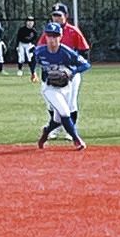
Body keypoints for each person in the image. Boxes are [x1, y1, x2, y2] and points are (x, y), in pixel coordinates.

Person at [30, 22, 91, 150]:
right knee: (64, 112)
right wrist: (33, 72)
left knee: (57, 119)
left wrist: (72, 72)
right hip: (49, 88)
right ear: (45, 37)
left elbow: (85, 65)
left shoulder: (66, 52)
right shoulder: (40, 51)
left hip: (65, 87)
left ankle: (46, 132)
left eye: (55, 36)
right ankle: (77, 139)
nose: (52, 39)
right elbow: (33, 60)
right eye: (49, 36)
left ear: (61, 36)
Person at [48, 3, 89, 137]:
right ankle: (55, 128)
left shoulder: (73, 31)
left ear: (66, 16)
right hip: (54, 71)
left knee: (70, 103)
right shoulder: (48, 33)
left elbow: (84, 51)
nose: (56, 18)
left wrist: (74, 69)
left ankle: (70, 131)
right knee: (53, 104)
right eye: (54, 15)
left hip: (71, 72)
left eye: (59, 15)